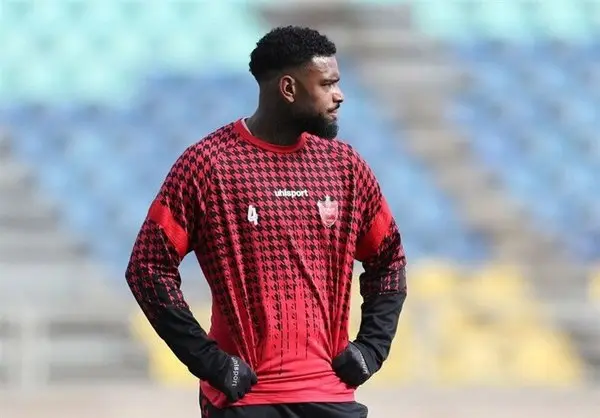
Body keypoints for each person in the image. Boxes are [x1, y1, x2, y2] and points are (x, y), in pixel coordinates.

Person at [125, 25, 407, 418]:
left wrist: (371, 349)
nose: (339, 95)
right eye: (327, 84)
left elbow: (388, 258)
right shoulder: (209, 165)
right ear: (288, 89)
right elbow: (147, 267)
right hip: (244, 402)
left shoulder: (346, 167)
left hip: (331, 397)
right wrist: (210, 362)